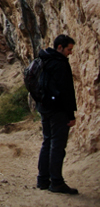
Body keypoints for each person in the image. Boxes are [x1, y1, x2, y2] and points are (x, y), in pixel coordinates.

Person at [36, 34, 78, 194]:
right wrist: (71, 115)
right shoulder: (60, 64)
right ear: (60, 47)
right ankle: (57, 182)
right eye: (69, 49)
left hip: (44, 107)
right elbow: (66, 93)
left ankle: (43, 179)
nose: (70, 53)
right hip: (57, 111)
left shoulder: (44, 59)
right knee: (57, 146)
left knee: (47, 142)